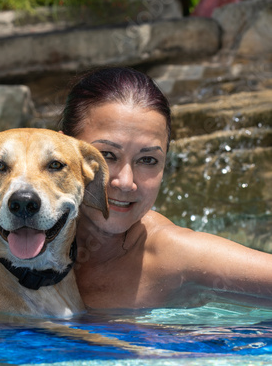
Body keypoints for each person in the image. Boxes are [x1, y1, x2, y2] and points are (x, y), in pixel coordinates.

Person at [59, 66, 272, 309]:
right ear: (60, 149)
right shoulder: (21, 239)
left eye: (148, 160)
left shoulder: (173, 256)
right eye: (107, 155)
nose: (126, 182)